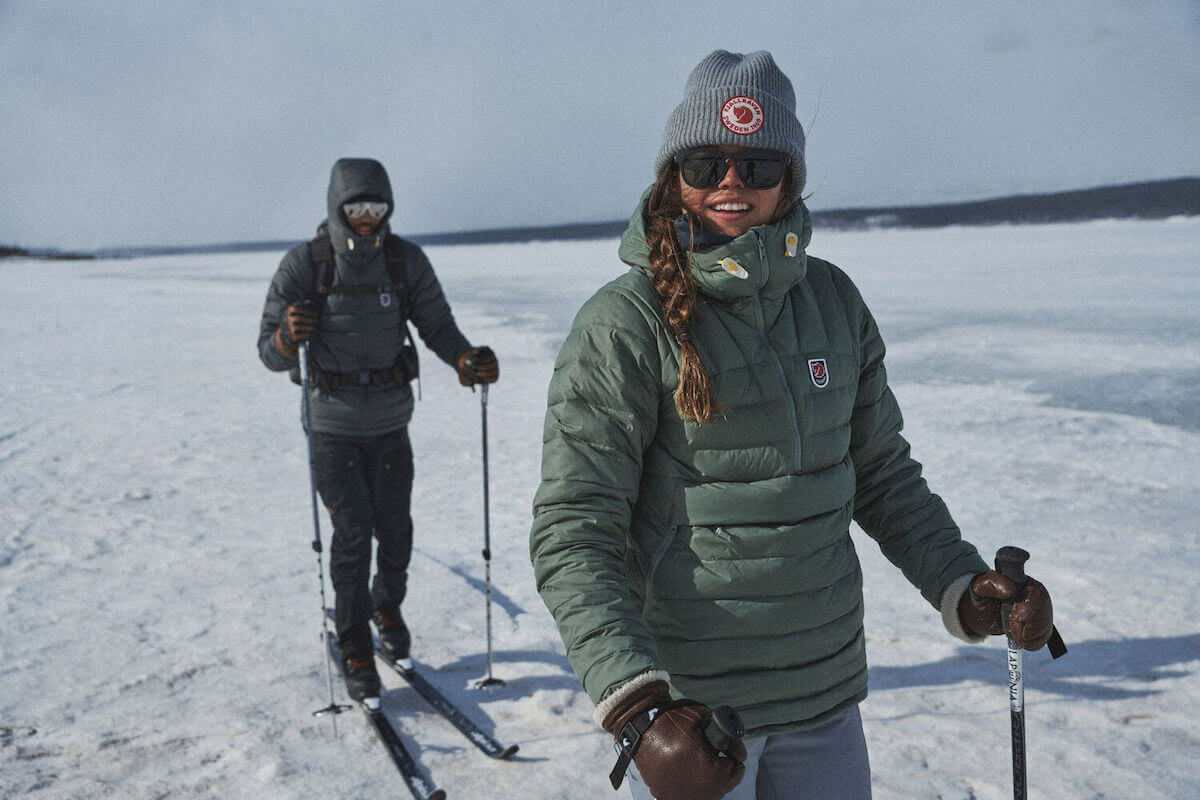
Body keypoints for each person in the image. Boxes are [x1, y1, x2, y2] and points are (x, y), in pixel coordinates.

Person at [529, 51, 1057, 800]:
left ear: (792, 177)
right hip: (696, 714)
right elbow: (575, 527)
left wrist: (965, 586)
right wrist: (638, 709)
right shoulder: (623, 323)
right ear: (672, 176)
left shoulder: (833, 302)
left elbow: (882, 476)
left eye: (759, 163)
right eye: (706, 162)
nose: (731, 183)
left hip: (824, 695)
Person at [259, 157, 499, 702]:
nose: (367, 217)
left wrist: (466, 360)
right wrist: (282, 340)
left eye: (377, 207)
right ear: (336, 208)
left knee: (395, 532)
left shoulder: (403, 261)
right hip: (331, 426)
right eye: (356, 207)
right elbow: (267, 352)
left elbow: (436, 324)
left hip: (391, 422)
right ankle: (355, 646)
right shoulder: (305, 265)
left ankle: (387, 613)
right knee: (352, 534)